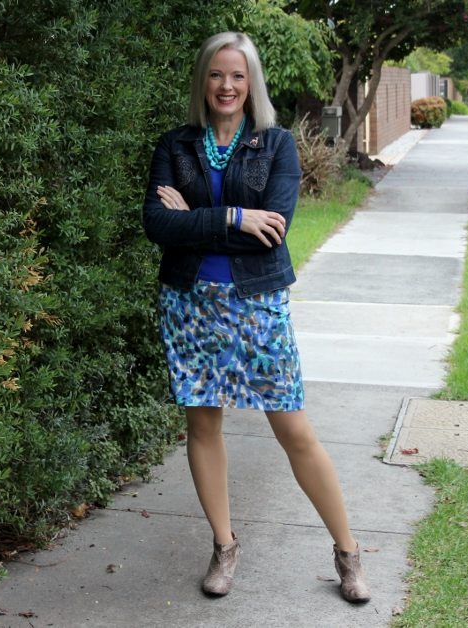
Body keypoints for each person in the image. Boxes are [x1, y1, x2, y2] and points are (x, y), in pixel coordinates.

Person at [142, 31, 370, 603]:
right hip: (190, 302)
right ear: (203, 80)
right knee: (202, 423)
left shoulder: (277, 145)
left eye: (237, 76)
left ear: (251, 83)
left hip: (257, 303)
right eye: (217, 74)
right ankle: (224, 545)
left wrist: (202, 219)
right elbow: (156, 226)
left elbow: (274, 235)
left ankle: (347, 551)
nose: (226, 85)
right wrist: (237, 217)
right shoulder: (176, 145)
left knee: (293, 428)